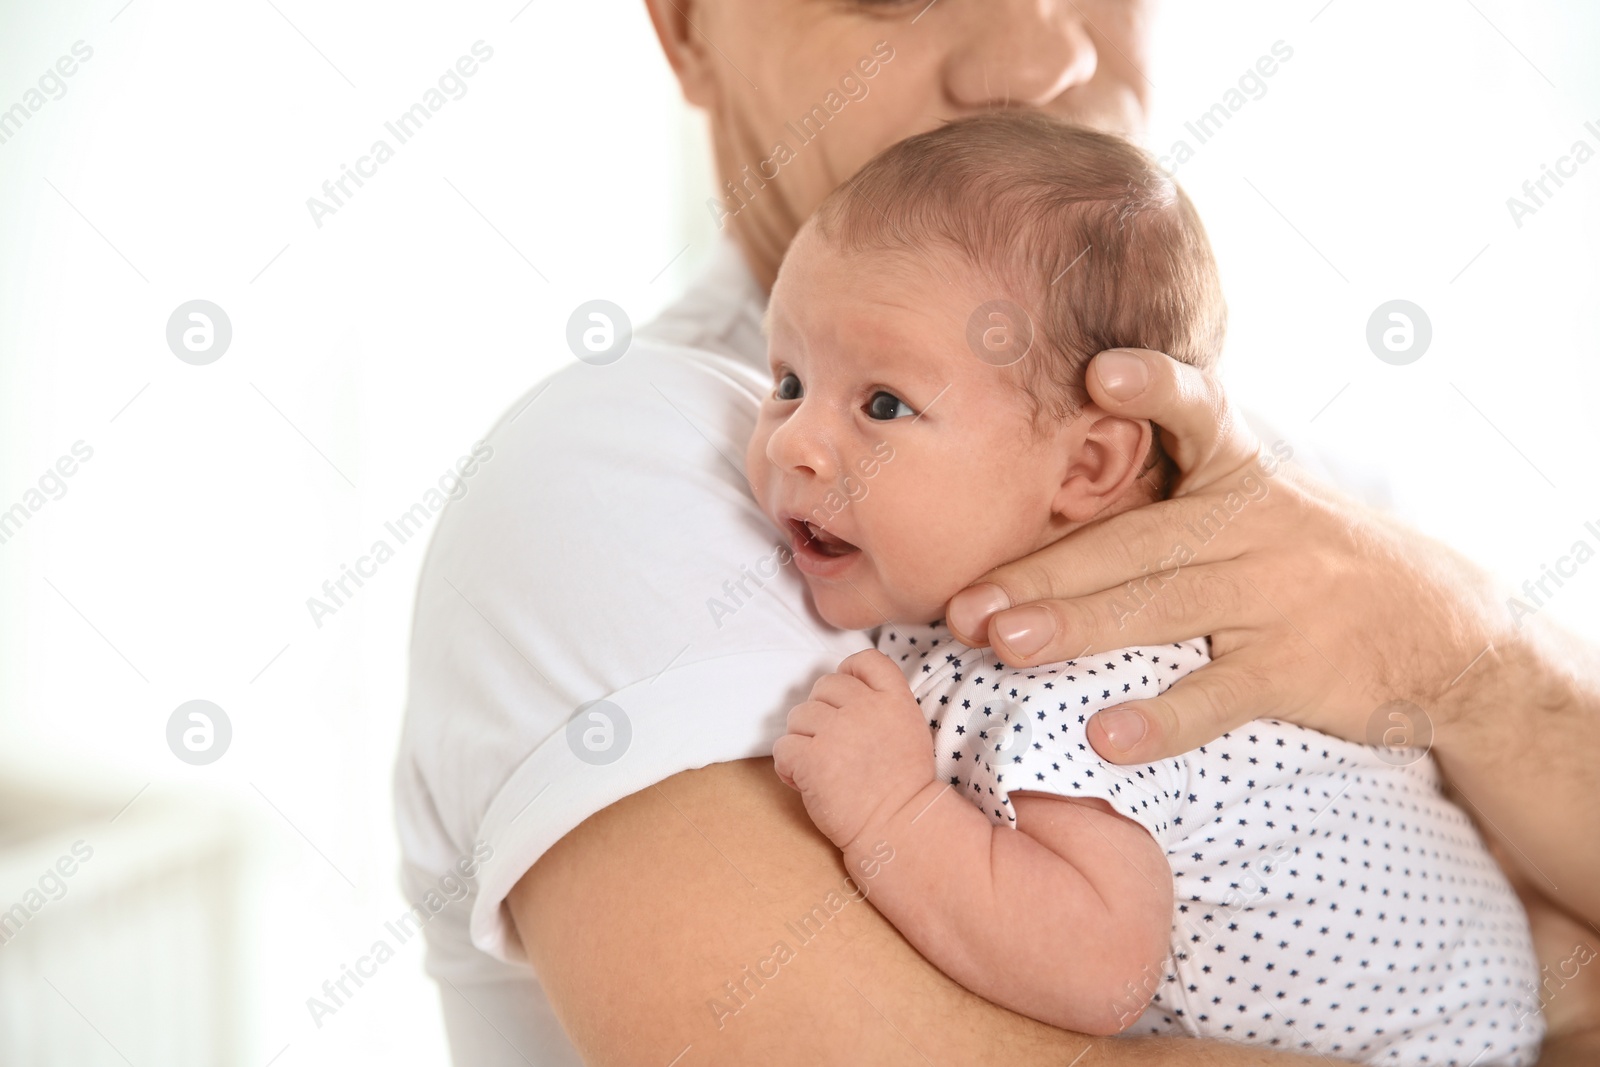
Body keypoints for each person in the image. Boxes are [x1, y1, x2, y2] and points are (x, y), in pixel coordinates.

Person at [393, 1, 1600, 1063]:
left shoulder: (1290, 479)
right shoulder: (627, 466)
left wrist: (1463, 652)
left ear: (1091, 464)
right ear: (685, 24)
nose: (1038, 48)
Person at [759, 112, 1541, 1064]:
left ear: (1088, 466)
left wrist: (895, 814)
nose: (794, 441)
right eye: (788, 379)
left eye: (883, 403)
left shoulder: (1080, 673)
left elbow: (1100, 966)